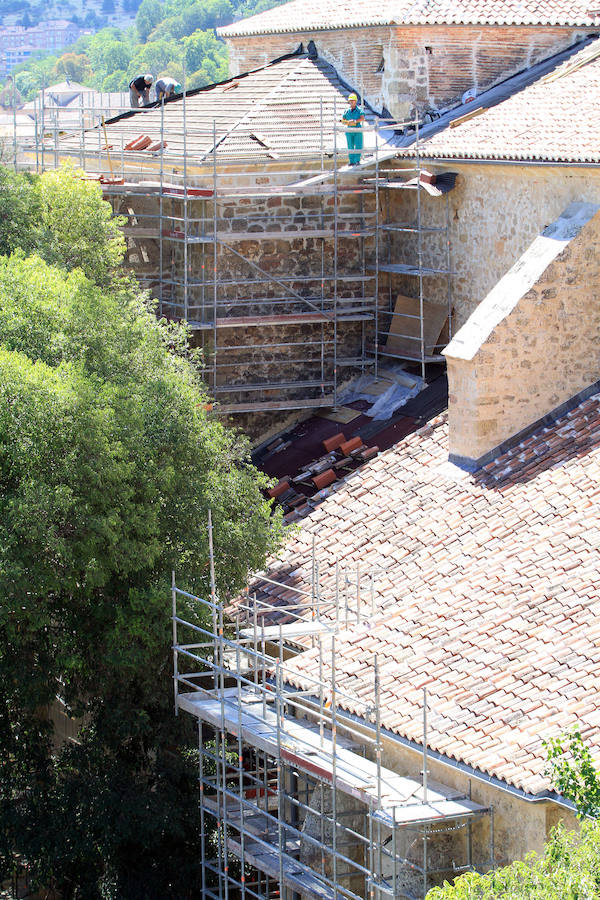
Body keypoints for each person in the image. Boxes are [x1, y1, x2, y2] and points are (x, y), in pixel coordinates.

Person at [341, 93, 365, 166]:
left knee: (358, 145)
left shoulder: (359, 110)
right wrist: (346, 122)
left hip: (357, 129)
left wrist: (355, 121)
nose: (351, 102)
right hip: (349, 130)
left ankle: (357, 160)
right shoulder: (347, 111)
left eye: (353, 101)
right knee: (350, 146)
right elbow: (343, 119)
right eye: (350, 101)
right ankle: (352, 161)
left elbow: (362, 118)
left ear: (356, 101)